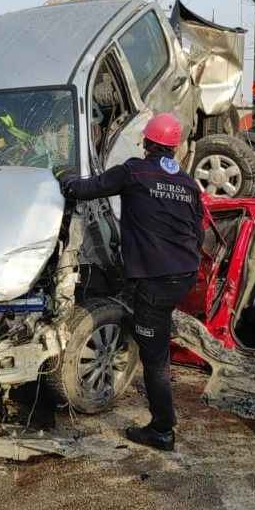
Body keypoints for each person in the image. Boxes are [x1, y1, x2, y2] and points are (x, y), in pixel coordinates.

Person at [59, 113, 203, 452]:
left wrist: (64, 178)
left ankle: (162, 431)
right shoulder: (188, 183)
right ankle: (150, 333)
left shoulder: (134, 171)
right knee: (154, 329)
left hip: (157, 280)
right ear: (175, 146)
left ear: (146, 142)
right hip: (184, 275)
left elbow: (86, 189)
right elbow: (199, 232)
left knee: (155, 360)